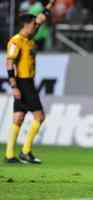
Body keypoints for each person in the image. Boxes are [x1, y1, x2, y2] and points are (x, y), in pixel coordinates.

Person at [4, 0, 56, 164]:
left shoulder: (28, 38)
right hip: (23, 82)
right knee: (39, 117)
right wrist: (14, 86)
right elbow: (9, 63)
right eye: (33, 25)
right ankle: (25, 151)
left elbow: (41, 19)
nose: (36, 27)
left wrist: (49, 6)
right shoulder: (16, 41)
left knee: (18, 117)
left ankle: (9, 155)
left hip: (27, 82)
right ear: (26, 25)